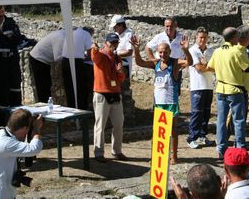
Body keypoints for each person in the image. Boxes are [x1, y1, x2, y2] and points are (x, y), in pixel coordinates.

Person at [131, 35, 192, 164]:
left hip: (171, 102)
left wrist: (186, 50)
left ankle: (174, 156)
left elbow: (189, 62)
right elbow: (139, 62)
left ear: (170, 52)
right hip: (158, 103)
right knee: (159, 131)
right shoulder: (156, 63)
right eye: (160, 52)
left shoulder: (175, 63)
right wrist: (136, 49)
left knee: (173, 130)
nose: (162, 54)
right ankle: (160, 156)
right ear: (157, 53)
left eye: (165, 51)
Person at [207, 26, 249, 159]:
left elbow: (210, 67)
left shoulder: (217, 51)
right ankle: (240, 148)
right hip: (235, 89)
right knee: (238, 120)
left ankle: (221, 149)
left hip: (220, 88)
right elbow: (247, 68)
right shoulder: (237, 51)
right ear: (235, 38)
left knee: (221, 120)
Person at [0, 108, 43, 199]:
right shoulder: (6, 143)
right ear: (24, 128)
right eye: (28, 129)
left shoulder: (0, 132)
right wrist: (36, 130)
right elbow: (34, 149)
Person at [91, 33, 128, 163]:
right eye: (112, 42)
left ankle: (117, 151)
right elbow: (94, 56)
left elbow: (121, 79)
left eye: (116, 42)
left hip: (115, 93)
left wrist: (120, 71)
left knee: (119, 124)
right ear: (106, 43)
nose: (114, 45)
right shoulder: (100, 54)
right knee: (100, 125)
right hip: (102, 94)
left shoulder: (117, 57)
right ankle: (98, 153)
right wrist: (94, 48)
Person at [187, 26, 215, 149]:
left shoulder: (210, 51)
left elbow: (215, 67)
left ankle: (202, 136)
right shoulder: (192, 50)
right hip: (197, 86)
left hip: (209, 86)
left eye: (205, 37)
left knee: (206, 113)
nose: (202, 40)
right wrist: (206, 65)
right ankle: (192, 138)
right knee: (196, 113)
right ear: (196, 38)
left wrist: (206, 64)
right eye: (200, 37)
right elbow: (198, 68)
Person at [0, 5, 23, 106]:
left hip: (12, 62)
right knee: (0, 91)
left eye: (2, 12)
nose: (1, 15)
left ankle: (17, 115)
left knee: (15, 89)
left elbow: (17, 39)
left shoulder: (11, 23)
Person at [29, 29, 66, 103]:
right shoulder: (60, 38)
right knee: (43, 87)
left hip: (43, 60)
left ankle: (46, 104)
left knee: (47, 86)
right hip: (38, 59)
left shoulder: (64, 36)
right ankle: (43, 107)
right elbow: (58, 57)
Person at [61, 27, 93, 110]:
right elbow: (91, 55)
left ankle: (71, 110)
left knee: (69, 88)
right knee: (81, 88)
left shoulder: (73, 32)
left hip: (64, 61)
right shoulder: (87, 34)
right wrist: (84, 57)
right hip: (76, 62)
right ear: (90, 33)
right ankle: (81, 110)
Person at [110, 15, 134, 80]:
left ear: (121, 25)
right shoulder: (116, 33)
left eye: (115, 27)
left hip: (125, 65)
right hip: (116, 63)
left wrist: (115, 54)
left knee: (123, 84)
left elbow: (129, 52)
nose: (114, 29)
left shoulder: (129, 34)